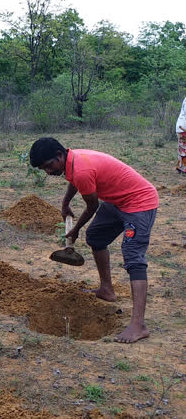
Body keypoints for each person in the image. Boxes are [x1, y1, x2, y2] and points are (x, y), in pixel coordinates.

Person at [29, 137, 159, 344]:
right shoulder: (71, 160)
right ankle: (106, 290)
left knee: (133, 256)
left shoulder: (80, 168)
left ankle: (138, 325)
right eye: (44, 169)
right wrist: (65, 203)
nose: (48, 172)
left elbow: (92, 206)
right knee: (96, 236)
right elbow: (75, 180)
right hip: (117, 201)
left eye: (49, 166)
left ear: (60, 155)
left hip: (139, 202)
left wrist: (75, 230)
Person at [176, 95, 186, 174]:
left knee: (182, 148)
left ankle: (180, 167)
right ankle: (184, 168)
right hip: (183, 127)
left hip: (181, 126)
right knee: (184, 148)